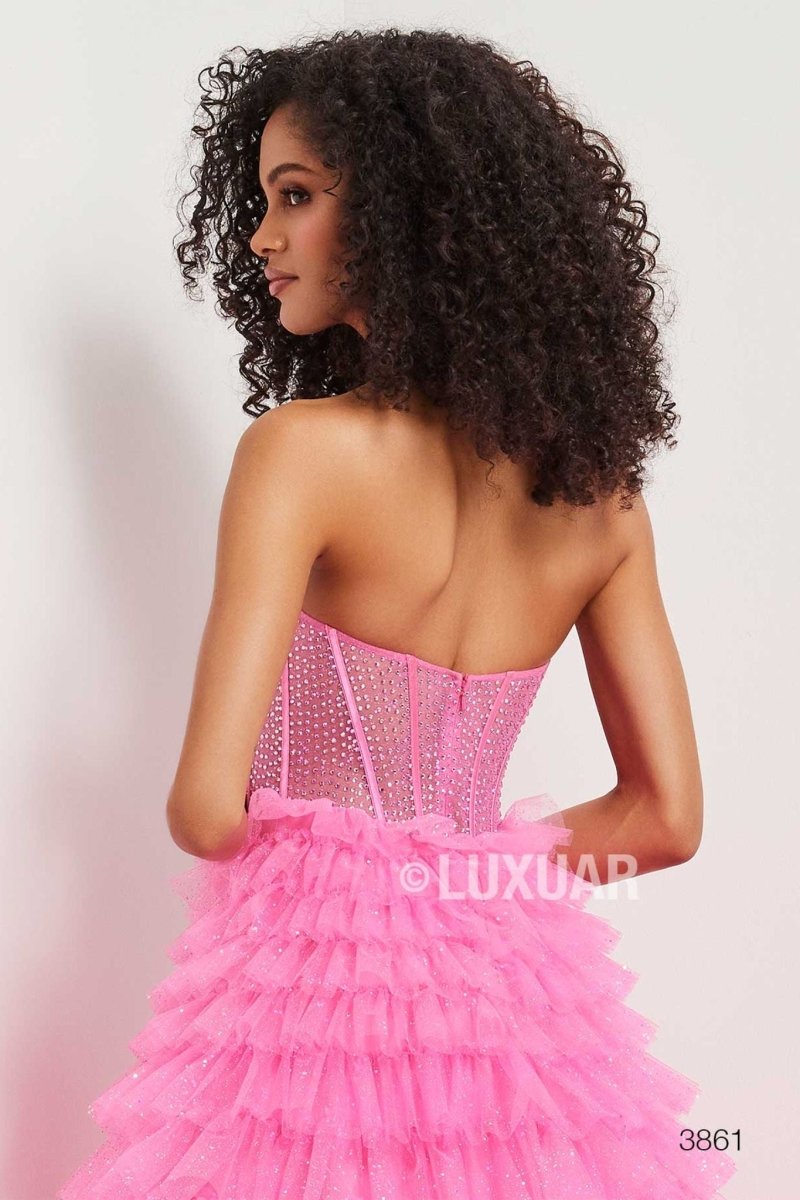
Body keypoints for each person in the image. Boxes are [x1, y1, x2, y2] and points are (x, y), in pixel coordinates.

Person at [58, 28, 738, 1199]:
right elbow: (662, 819)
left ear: (403, 210)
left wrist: (357, 880)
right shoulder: (602, 504)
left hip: (306, 1007)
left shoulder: (301, 454)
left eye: (296, 195)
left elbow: (206, 810)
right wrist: (461, 877)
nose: (261, 237)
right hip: (510, 1012)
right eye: (262, 202)